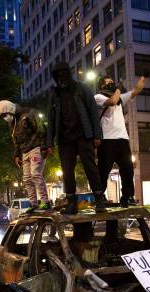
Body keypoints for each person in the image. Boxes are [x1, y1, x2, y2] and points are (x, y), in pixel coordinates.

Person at [45, 62, 107, 215]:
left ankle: (99, 199)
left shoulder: (82, 88)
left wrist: (97, 136)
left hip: (83, 135)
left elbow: (93, 112)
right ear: (55, 78)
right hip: (65, 139)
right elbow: (51, 119)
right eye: (58, 76)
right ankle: (71, 202)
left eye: (64, 74)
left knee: (90, 167)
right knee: (67, 171)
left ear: (69, 74)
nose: (61, 78)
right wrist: (49, 143)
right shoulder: (54, 95)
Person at [94, 75, 146, 208]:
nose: (111, 84)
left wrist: (143, 78)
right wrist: (117, 88)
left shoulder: (119, 97)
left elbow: (136, 91)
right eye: (108, 83)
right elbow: (112, 101)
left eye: (112, 82)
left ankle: (127, 197)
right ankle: (100, 197)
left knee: (128, 169)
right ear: (101, 87)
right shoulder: (98, 97)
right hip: (107, 140)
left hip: (122, 139)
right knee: (103, 170)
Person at [0, 100, 50, 212]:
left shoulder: (29, 113)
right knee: (27, 179)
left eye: (5, 115)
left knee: (35, 174)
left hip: (36, 147)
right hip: (24, 152)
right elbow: (15, 140)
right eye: (3, 117)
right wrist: (16, 155)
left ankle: (46, 202)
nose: (5, 118)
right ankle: (33, 204)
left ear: (10, 110)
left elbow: (41, 129)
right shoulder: (12, 123)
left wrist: (44, 146)